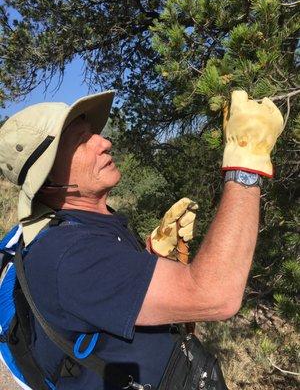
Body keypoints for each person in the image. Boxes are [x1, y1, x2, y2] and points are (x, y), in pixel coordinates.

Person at [0, 90, 284, 389]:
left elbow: (114, 302)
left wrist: (155, 257)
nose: (104, 142)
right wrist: (246, 165)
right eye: (81, 141)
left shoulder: (90, 221)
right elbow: (216, 296)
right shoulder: (69, 254)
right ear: (47, 181)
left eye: (94, 133)